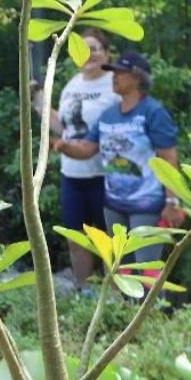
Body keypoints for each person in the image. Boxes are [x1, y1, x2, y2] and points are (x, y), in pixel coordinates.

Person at [53, 51, 184, 268]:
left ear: (138, 78)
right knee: (115, 267)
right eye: (113, 72)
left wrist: (172, 202)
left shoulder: (154, 112)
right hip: (113, 204)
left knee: (146, 269)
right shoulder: (109, 114)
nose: (114, 76)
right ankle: (119, 304)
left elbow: (169, 160)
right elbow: (87, 148)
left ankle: (152, 304)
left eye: (120, 72)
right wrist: (65, 147)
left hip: (147, 205)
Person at [33, 28, 120, 293]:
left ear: (106, 52)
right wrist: (38, 102)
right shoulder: (73, 85)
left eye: (95, 48)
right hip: (72, 174)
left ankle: (113, 296)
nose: (90, 54)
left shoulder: (117, 83)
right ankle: (86, 292)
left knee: (109, 241)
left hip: (105, 174)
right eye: (84, 48)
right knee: (76, 239)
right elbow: (66, 127)